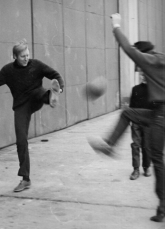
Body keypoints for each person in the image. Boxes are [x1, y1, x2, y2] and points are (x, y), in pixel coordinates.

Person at [88, 14, 165, 222]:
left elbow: (129, 49)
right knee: (127, 112)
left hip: (162, 115)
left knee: (157, 159)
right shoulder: (161, 60)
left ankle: (163, 207)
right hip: (157, 112)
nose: (138, 68)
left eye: (139, 64)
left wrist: (116, 25)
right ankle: (110, 145)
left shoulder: (151, 60)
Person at [0, 39, 64, 192]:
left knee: (39, 92)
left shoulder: (36, 65)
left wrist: (60, 88)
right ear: (14, 57)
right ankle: (25, 179)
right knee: (21, 140)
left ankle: (51, 96)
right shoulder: (8, 71)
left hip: (37, 97)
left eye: (27, 55)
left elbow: (55, 74)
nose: (26, 58)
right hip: (22, 106)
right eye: (22, 56)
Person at [129, 74, 151, 180]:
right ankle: (136, 169)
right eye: (143, 74)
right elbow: (131, 106)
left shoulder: (154, 90)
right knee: (135, 145)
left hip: (147, 123)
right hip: (136, 122)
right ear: (141, 76)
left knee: (146, 146)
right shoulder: (135, 89)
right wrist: (131, 120)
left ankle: (146, 167)